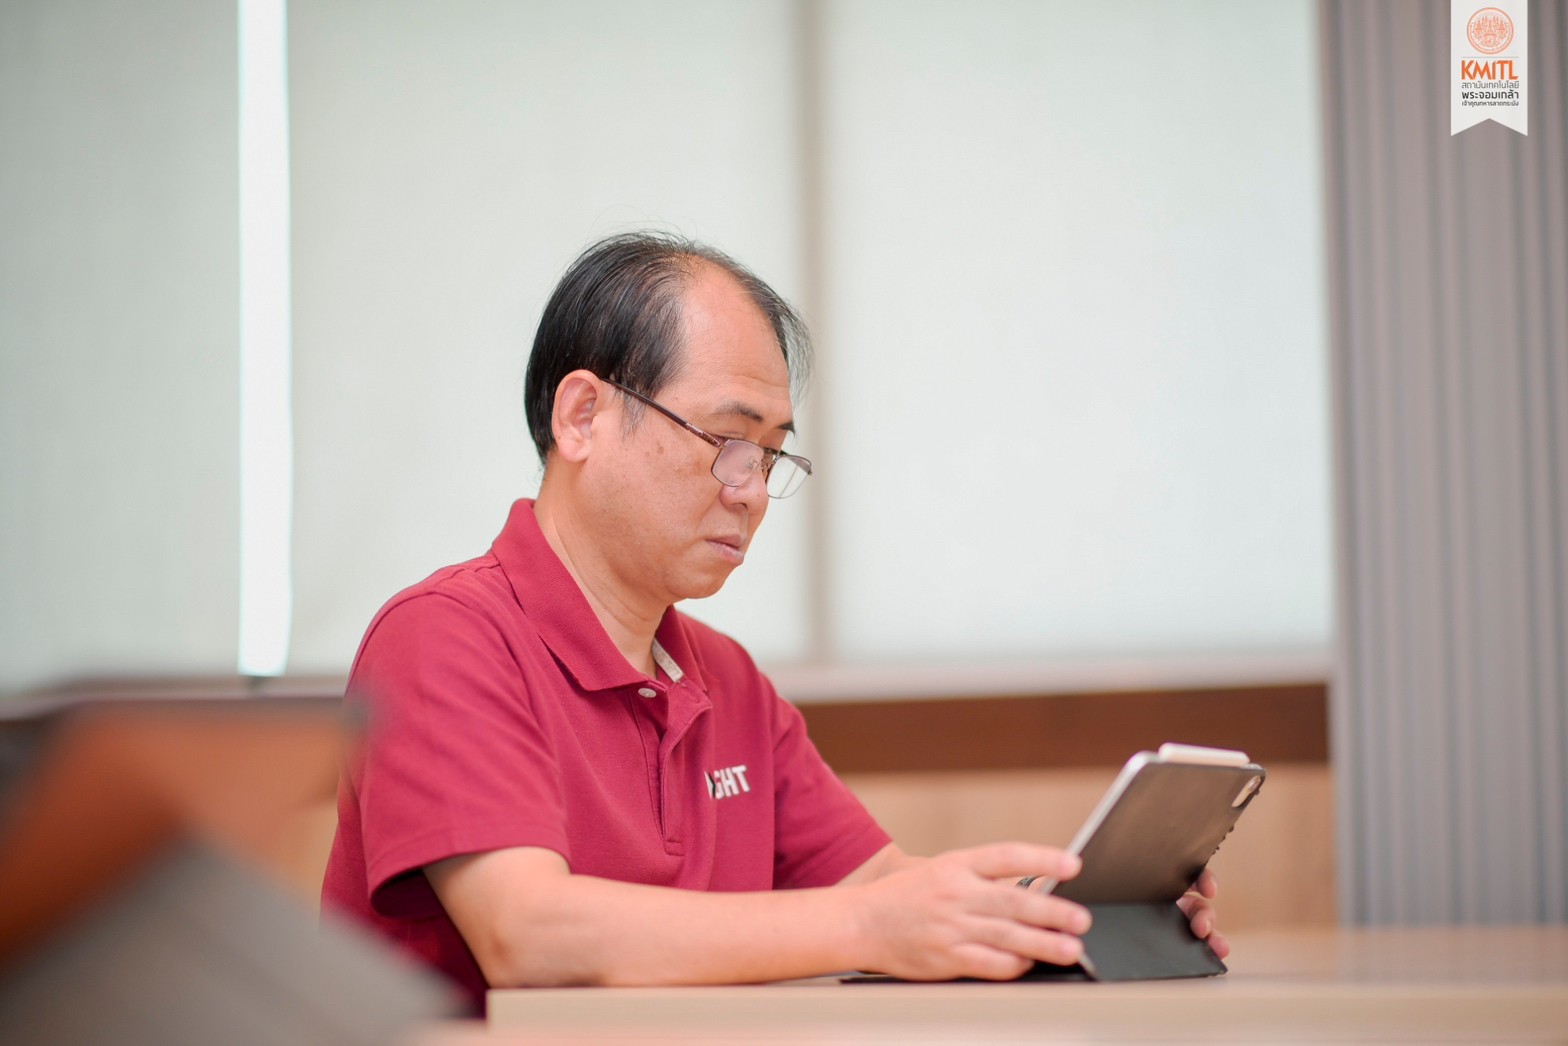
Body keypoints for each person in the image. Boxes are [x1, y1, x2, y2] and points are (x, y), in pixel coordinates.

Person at [321, 232, 1226, 1007]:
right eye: (727, 442)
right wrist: (871, 926)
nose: (751, 492)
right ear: (583, 415)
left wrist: (1065, 912)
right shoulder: (443, 637)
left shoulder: (726, 680)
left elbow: (883, 883)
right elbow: (529, 934)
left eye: (770, 455)